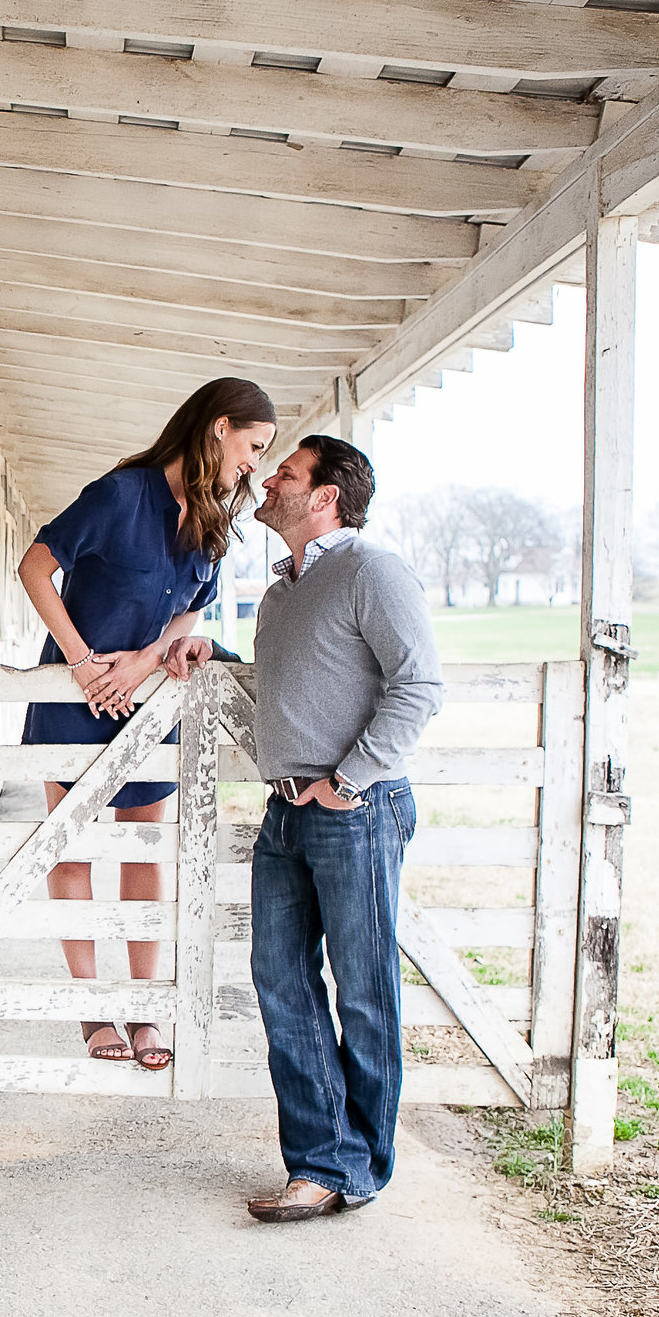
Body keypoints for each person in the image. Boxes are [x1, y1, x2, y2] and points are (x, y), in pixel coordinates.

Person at [15, 377, 276, 1070]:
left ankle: (145, 1007)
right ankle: (93, 1006)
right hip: (75, 696)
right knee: (71, 853)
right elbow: (35, 567)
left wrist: (147, 658)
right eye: (253, 446)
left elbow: (193, 609)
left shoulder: (215, 518)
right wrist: (82, 662)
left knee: (141, 852)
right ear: (219, 427)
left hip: (149, 698)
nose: (254, 465)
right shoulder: (119, 494)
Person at [241, 436, 442, 1223]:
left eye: (285, 472)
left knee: (363, 991)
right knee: (280, 980)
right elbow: (296, 681)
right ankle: (322, 1160)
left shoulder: (372, 571)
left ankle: (353, 1168)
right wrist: (209, 650)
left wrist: (349, 779)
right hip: (285, 811)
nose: (267, 479)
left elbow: (418, 682)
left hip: (353, 810)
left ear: (324, 496)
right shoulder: (282, 591)